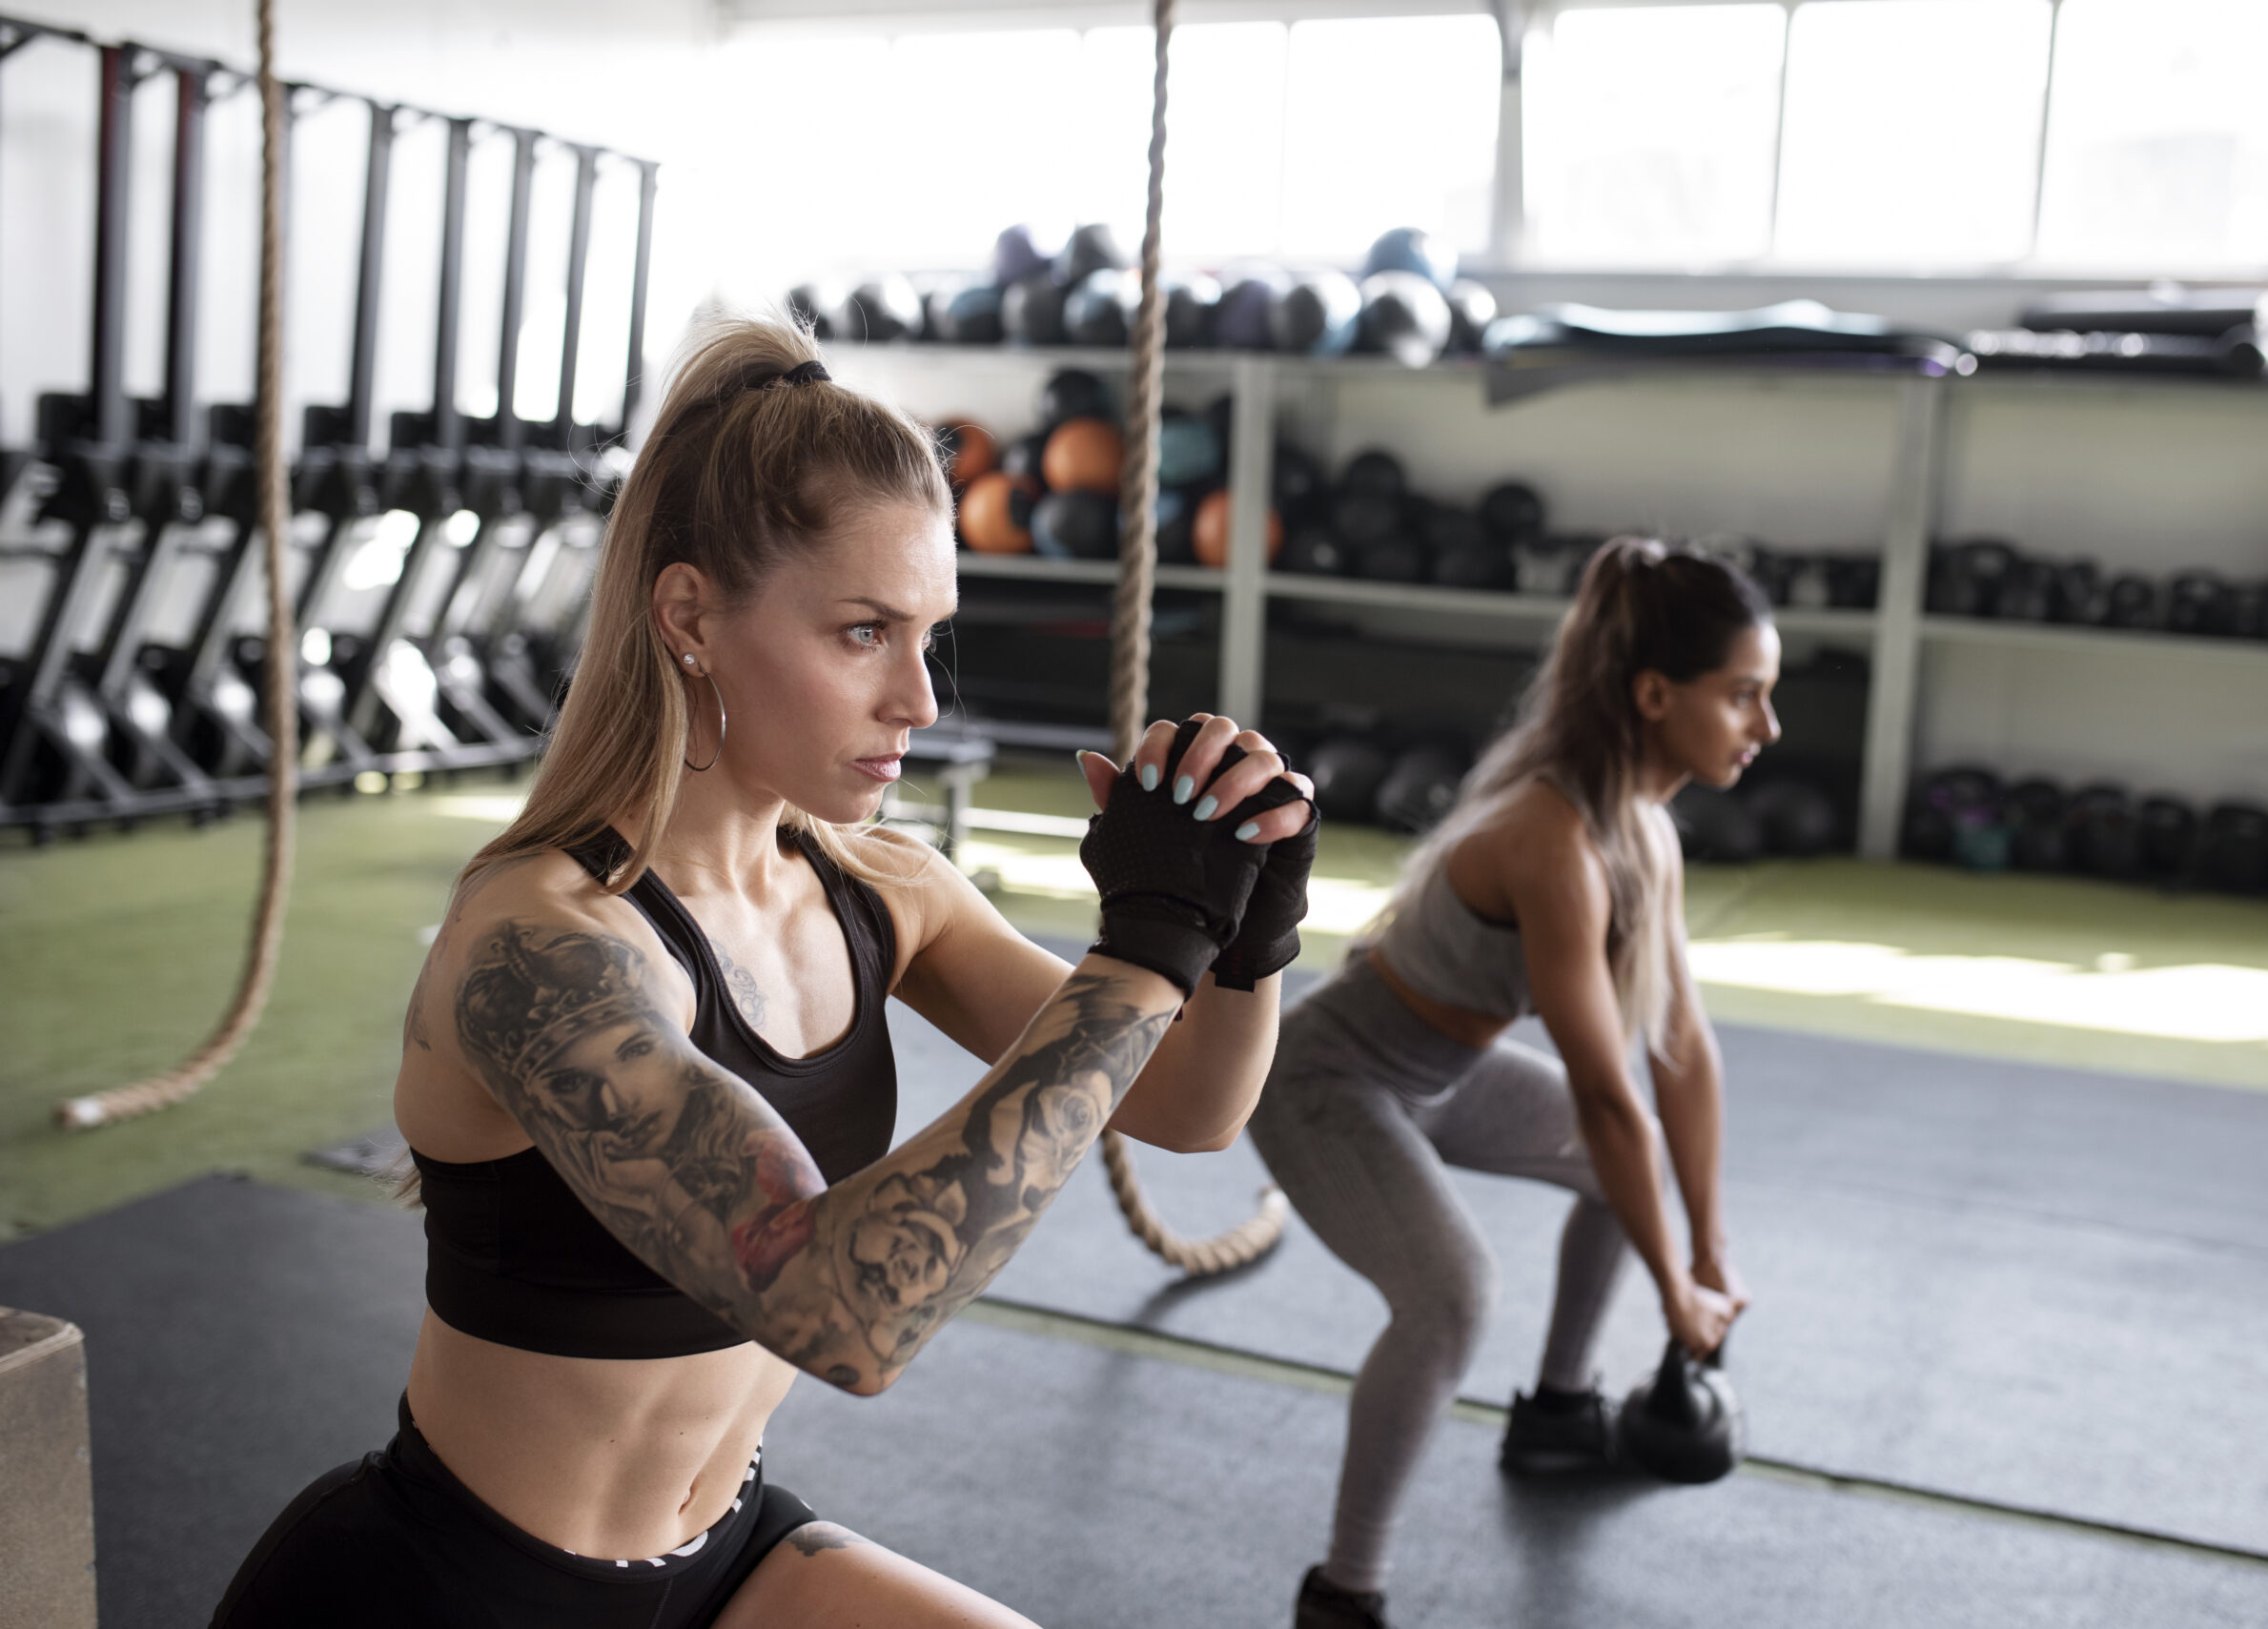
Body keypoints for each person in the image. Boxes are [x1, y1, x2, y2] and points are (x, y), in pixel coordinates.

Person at [210, 314, 1317, 1629]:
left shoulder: (880, 888)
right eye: (863, 632)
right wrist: (1144, 950)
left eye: (930, 636)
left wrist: (1247, 938)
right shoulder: (544, 944)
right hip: (458, 1592)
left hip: (722, 1561)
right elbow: (842, 1312)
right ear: (689, 614)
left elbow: (1189, 1105)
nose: (920, 699)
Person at [1246, 537, 1777, 1629]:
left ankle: (1558, 1411)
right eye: (1743, 697)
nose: (1766, 728)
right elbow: (1606, 1092)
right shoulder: (1553, 840)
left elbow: (1681, 1050)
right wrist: (1677, 1289)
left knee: (1617, 1181)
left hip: (1444, 1072)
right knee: (1450, 1298)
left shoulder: (1643, 830)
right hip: (1327, 1076)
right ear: (1654, 693)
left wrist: (1708, 1252)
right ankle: (1342, 1591)